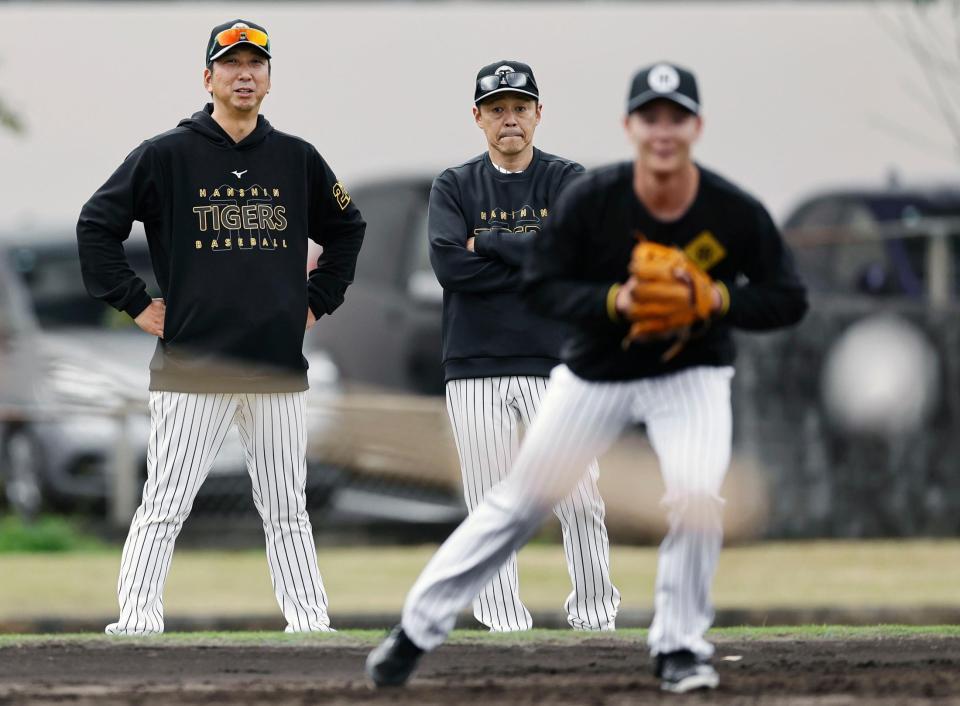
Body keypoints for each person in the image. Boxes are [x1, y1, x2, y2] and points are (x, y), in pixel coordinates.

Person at [367, 61, 807, 692]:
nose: (663, 130)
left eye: (675, 117)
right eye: (650, 117)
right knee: (518, 502)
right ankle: (414, 631)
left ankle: (680, 646)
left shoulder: (730, 212)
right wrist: (614, 303)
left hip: (692, 372)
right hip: (597, 369)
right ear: (630, 126)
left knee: (695, 499)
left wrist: (716, 302)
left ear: (696, 126)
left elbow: (787, 299)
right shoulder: (599, 201)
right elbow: (545, 282)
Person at [76, 19, 365, 635]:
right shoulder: (166, 154)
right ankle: (138, 622)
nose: (244, 74)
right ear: (208, 77)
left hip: (276, 367)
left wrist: (316, 302)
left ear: (268, 79)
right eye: (231, 64)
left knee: (287, 508)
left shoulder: (297, 158)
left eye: (256, 64)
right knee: (165, 505)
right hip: (191, 365)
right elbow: (95, 225)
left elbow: (348, 230)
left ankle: (310, 625)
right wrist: (137, 304)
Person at [426, 59, 619, 632]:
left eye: (519, 108)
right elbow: (448, 266)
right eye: (497, 110)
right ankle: (502, 621)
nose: (509, 119)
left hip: (557, 364)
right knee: (491, 503)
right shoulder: (454, 184)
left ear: (538, 113)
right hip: (474, 365)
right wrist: (536, 258)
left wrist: (484, 241)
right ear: (478, 118)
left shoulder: (568, 180)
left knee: (579, 496)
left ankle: (594, 616)